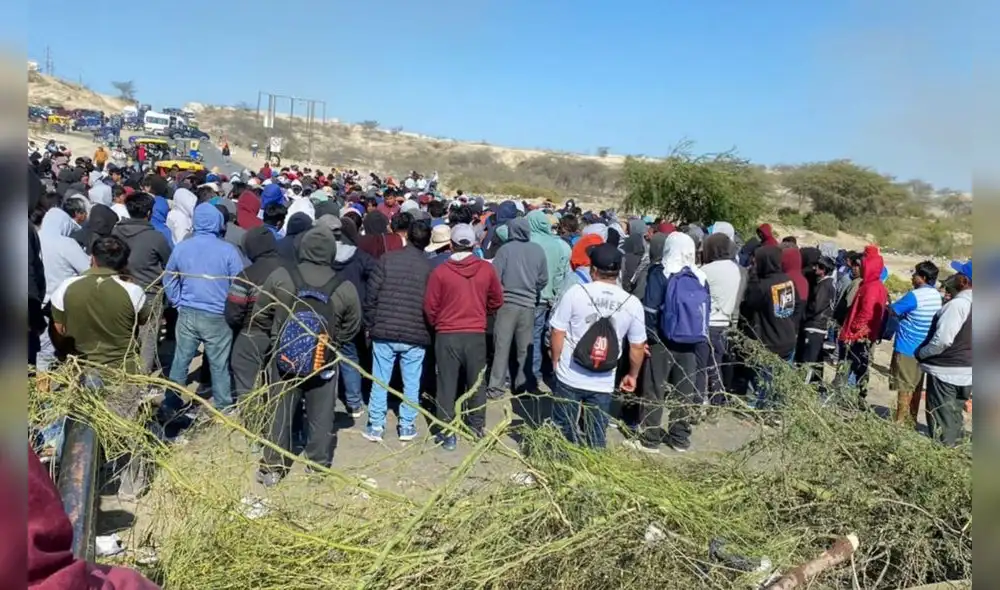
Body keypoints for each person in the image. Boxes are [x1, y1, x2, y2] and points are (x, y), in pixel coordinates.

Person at [257, 226, 362, 486]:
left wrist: (275, 338)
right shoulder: (344, 286)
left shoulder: (281, 275)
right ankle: (317, 467)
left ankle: (273, 466)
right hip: (323, 360)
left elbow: (261, 313)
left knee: (279, 413)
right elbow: (354, 325)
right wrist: (333, 343)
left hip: (284, 360)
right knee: (321, 415)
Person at [548, 243, 645, 449]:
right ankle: (592, 473)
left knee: (562, 428)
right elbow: (637, 346)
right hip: (603, 379)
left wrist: (556, 360)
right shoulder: (632, 302)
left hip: (570, 373)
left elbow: (557, 331)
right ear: (618, 272)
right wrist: (632, 375)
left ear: (593, 270)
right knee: (596, 433)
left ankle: (559, 468)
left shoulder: (576, 292)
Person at [160, 203, 245, 417]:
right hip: (218, 315)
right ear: (218, 223)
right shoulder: (228, 250)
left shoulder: (182, 247)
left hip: (188, 312)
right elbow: (241, 282)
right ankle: (224, 406)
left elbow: (169, 277)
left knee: (181, 359)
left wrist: (177, 301)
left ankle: (172, 400)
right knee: (219, 364)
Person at [626, 232, 708, 453]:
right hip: (690, 344)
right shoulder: (700, 277)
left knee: (654, 389)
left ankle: (650, 438)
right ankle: (680, 437)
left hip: (661, 341)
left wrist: (647, 338)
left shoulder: (659, 272)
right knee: (684, 392)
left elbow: (650, 310)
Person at [425, 224, 504, 448]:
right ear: (474, 244)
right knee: (476, 382)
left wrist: (439, 324)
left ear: (451, 245)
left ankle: (447, 433)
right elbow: (497, 300)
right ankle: (476, 427)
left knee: (446, 384)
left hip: (447, 334)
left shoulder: (440, 272)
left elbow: (430, 306)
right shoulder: (486, 270)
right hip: (475, 333)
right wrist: (482, 312)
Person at [362, 221, 433, 442]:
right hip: (415, 331)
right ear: (427, 241)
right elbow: (432, 303)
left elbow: (371, 296)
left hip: (384, 329)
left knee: (380, 379)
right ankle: (407, 425)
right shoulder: (429, 267)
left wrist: (370, 325)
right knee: (411, 381)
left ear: (407, 236)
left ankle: (376, 425)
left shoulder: (387, 259)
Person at [49, 236, 148, 373]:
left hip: (80, 370)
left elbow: (59, 329)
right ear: (124, 263)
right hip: (122, 371)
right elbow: (142, 320)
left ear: (93, 258)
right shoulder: (134, 291)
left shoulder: (66, 287)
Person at [487, 218, 548, 400]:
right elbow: (543, 278)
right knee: (524, 348)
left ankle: (495, 389)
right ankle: (522, 387)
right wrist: (532, 288)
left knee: (501, 347)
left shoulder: (505, 250)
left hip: (506, 305)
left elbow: (495, 278)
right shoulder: (537, 250)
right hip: (529, 304)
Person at [113, 192, 174, 373]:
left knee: (124, 334)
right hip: (150, 293)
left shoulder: (116, 231)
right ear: (149, 213)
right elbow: (169, 264)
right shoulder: (156, 237)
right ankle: (141, 379)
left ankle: (121, 371)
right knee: (148, 339)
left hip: (120, 290)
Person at [224, 227, 286, 404]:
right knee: (278, 381)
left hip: (253, 332)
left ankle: (252, 417)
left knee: (244, 377)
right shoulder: (291, 270)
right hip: (285, 333)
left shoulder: (247, 275)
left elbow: (233, 313)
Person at [915, 260, 971, 446]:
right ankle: (954, 459)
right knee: (954, 418)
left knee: (941, 422)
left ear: (964, 281)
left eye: (957, 274)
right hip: (968, 371)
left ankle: (943, 458)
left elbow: (943, 340)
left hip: (947, 371)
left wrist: (923, 353)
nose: (952, 277)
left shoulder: (958, 305)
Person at [326, 215, 377, 417]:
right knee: (349, 356)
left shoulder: (320, 256)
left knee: (325, 357)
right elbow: (376, 271)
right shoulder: (359, 256)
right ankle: (354, 403)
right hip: (353, 311)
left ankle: (325, 403)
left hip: (326, 310)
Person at [37, 198, 92, 375]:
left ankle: (41, 389)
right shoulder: (66, 244)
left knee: (42, 348)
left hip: (37, 301)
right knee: (69, 348)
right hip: (63, 303)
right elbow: (88, 270)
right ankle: (64, 389)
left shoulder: (34, 238)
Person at [740, 245, 799, 408]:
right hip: (787, 337)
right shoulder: (788, 281)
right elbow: (797, 305)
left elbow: (749, 303)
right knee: (778, 381)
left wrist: (752, 276)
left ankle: (753, 408)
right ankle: (775, 410)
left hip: (769, 340)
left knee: (760, 378)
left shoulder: (763, 285)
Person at [888, 261, 943, 423]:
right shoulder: (936, 296)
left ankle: (899, 422)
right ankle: (911, 420)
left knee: (904, 388)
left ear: (923, 278)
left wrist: (887, 305)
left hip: (907, 348)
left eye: (916, 274)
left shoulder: (914, 296)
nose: (912, 277)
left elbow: (893, 310)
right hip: (924, 349)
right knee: (917, 387)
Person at [526, 209, 571, 392]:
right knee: (549, 336)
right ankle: (549, 372)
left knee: (532, 338)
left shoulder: (528, 243)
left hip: (531, 297)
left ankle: (533, 374)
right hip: (552, 298)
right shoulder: (560, 245)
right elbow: (562, 274)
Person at [699, 232, 746, 401]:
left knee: (703, 366)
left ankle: (699, 402)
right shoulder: (735, 269)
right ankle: (716, 400)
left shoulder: (706, 270)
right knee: (716, 364)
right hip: (725, 321)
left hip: (708, 323)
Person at [838, 245, 889, 404]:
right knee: (859, 368)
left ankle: (848, 399)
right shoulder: (874, 285)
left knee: (851, 368)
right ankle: (854, 399)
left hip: (858, 336)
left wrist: (853, 331)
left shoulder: (871, 287)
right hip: (864, 335)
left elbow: (866, 313)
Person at [800, 256, 837, 384]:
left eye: (820, 267)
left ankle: (803, 387)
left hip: (815, 326)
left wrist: (803, 315)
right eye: (817, 265)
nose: (816, 268)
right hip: (819, 326)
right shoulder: (828, 284)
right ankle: (815, 385)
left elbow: (816, 306)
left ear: (825, 270)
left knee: (809, 360)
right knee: (816, 359)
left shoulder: (824, 285)